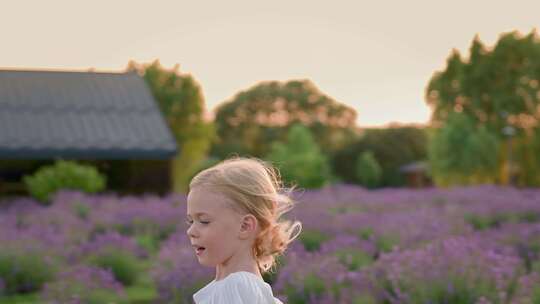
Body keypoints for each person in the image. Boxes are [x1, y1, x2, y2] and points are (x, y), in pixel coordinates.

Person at [186, 157, 302, 304]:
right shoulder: (242, 288)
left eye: (204, 221)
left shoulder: (236, 288)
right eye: (190, 221)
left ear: (245, 226)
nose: (191, 231)